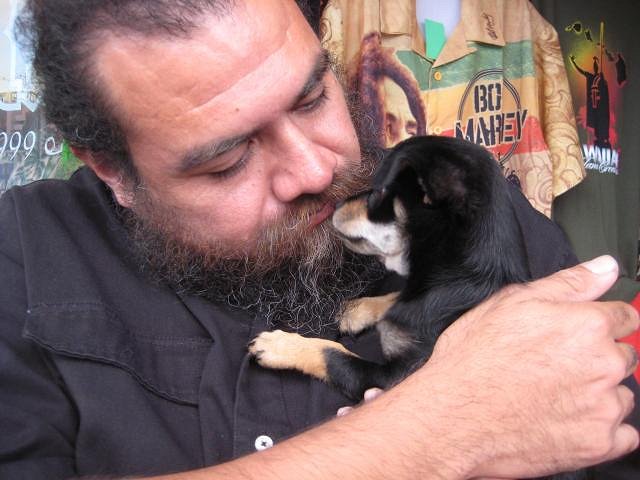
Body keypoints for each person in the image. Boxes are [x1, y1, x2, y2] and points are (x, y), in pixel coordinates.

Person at [0, 1, 638, 479]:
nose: (314, 171)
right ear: (114, 171)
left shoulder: (452, 202)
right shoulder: (26, 256)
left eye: (311, 99)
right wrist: (436, 431)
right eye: (228, 161)